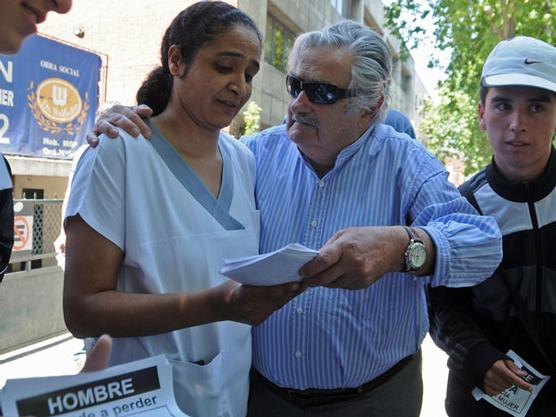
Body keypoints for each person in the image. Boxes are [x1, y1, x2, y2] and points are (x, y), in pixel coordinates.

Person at [93, 20, 502, 417]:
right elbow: (178, 159)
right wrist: (128, 122)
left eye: (321, 92)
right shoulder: (252, 155)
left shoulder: (407, 164)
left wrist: (404, 248)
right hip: (263, 397)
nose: (297, 104)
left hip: (375, 400)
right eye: (295, 85)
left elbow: (483, 243)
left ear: (371, 106)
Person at [62, 3, 301, 417]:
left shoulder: (244, 162)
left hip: (230, 396)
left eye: (249, 74)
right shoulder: (117, 154)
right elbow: (82, 310)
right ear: (176, 60)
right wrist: (214, 306)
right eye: (225, 67)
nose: (240, 87)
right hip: (143, 400)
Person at [428, 36, 556, 417]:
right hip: (483, 403)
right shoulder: (461, 209)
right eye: (503, 105)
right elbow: (441, 306)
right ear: (482, 113)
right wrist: (477, 356)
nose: (518, 124)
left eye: (536, 107)